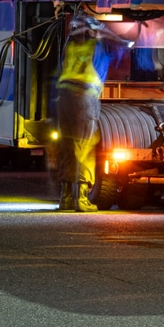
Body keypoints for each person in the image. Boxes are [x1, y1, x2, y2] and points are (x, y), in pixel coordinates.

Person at [54, 15, 113, 212]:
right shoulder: (96, 48)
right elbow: (103, 68)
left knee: (67, 145)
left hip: (64, 98)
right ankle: (82, 198)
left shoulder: (69, 47)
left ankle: (66, 198)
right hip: (84, 99)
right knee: (84, 146)